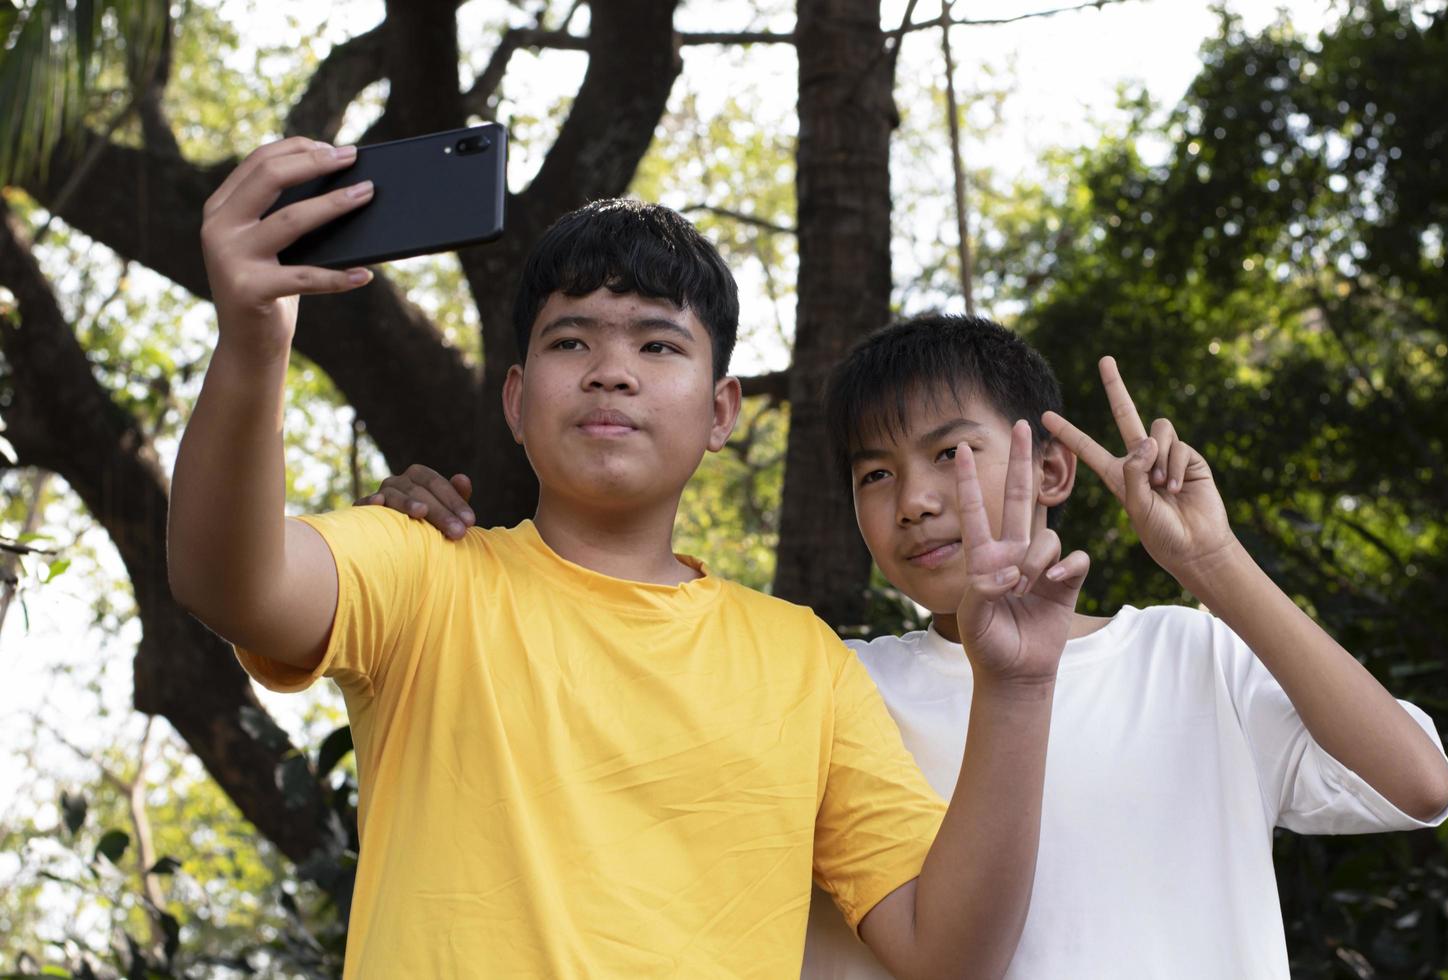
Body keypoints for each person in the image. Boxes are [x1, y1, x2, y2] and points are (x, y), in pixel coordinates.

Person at [167, 138, 1094, 978]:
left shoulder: (806, 660)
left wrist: (1014, 691)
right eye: (572, 341)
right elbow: (229, 582)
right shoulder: (426, 570)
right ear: (518, 400)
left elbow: (950, 954)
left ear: (723, 410)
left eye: (658, 343)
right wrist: (255, 341)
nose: (612, 369)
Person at [377, 313, 1448, 979]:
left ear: (1050, 469)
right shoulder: (828, 679)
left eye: (952, 452)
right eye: (876, 473)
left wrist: (1214, 565)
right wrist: (459, 558)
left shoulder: (1187, 658)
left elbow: (1416, 782)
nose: (919, 501)